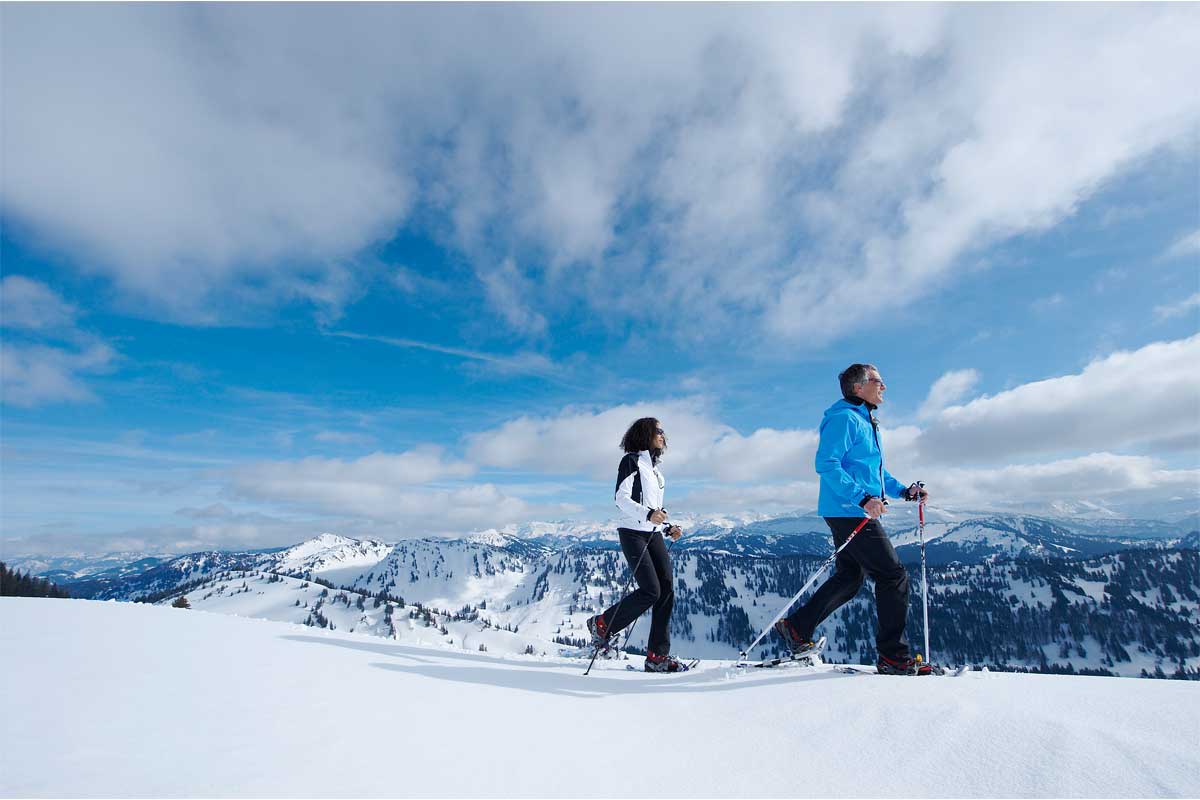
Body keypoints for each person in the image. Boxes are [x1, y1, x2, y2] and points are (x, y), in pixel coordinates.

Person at [774, 364, 933, 675]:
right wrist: (862, 498)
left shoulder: (865, 421)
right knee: (893, 576)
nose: (884, 387)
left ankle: (796, 627)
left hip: (849, 508)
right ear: (859, 387)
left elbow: (875, 471)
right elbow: (826, 464)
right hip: (848, 509)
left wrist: (905, 491)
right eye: (878, 381)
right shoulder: (845, 419)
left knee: (850, 577)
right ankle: (892, 656)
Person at [587, 417, 688, 672]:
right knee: (651, 591)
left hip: (652, 533)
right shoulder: (631, 461)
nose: (663, 435)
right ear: (646, 434)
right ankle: (602, 624)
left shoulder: (656, 471)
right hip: (632, 532)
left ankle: (657, 657)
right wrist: (648, 515)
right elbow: (620, 499)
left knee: (666, 590)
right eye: (659, 431)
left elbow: (653, 510)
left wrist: (667, 526)